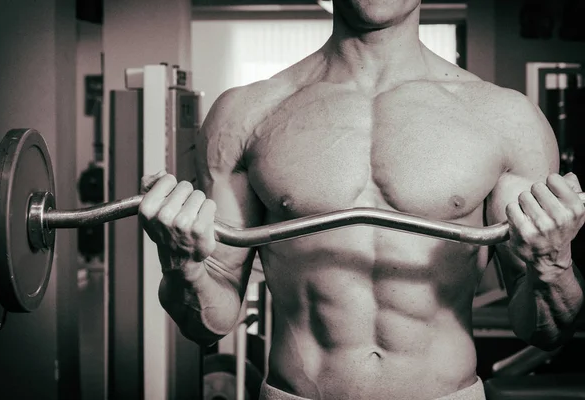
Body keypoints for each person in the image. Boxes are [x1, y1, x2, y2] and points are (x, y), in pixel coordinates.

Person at [139, 1, 585, 399]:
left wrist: (553, 266)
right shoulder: (246, 114)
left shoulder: (506, 118)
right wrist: (183, 265)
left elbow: (544, 331)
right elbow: (207, 325)